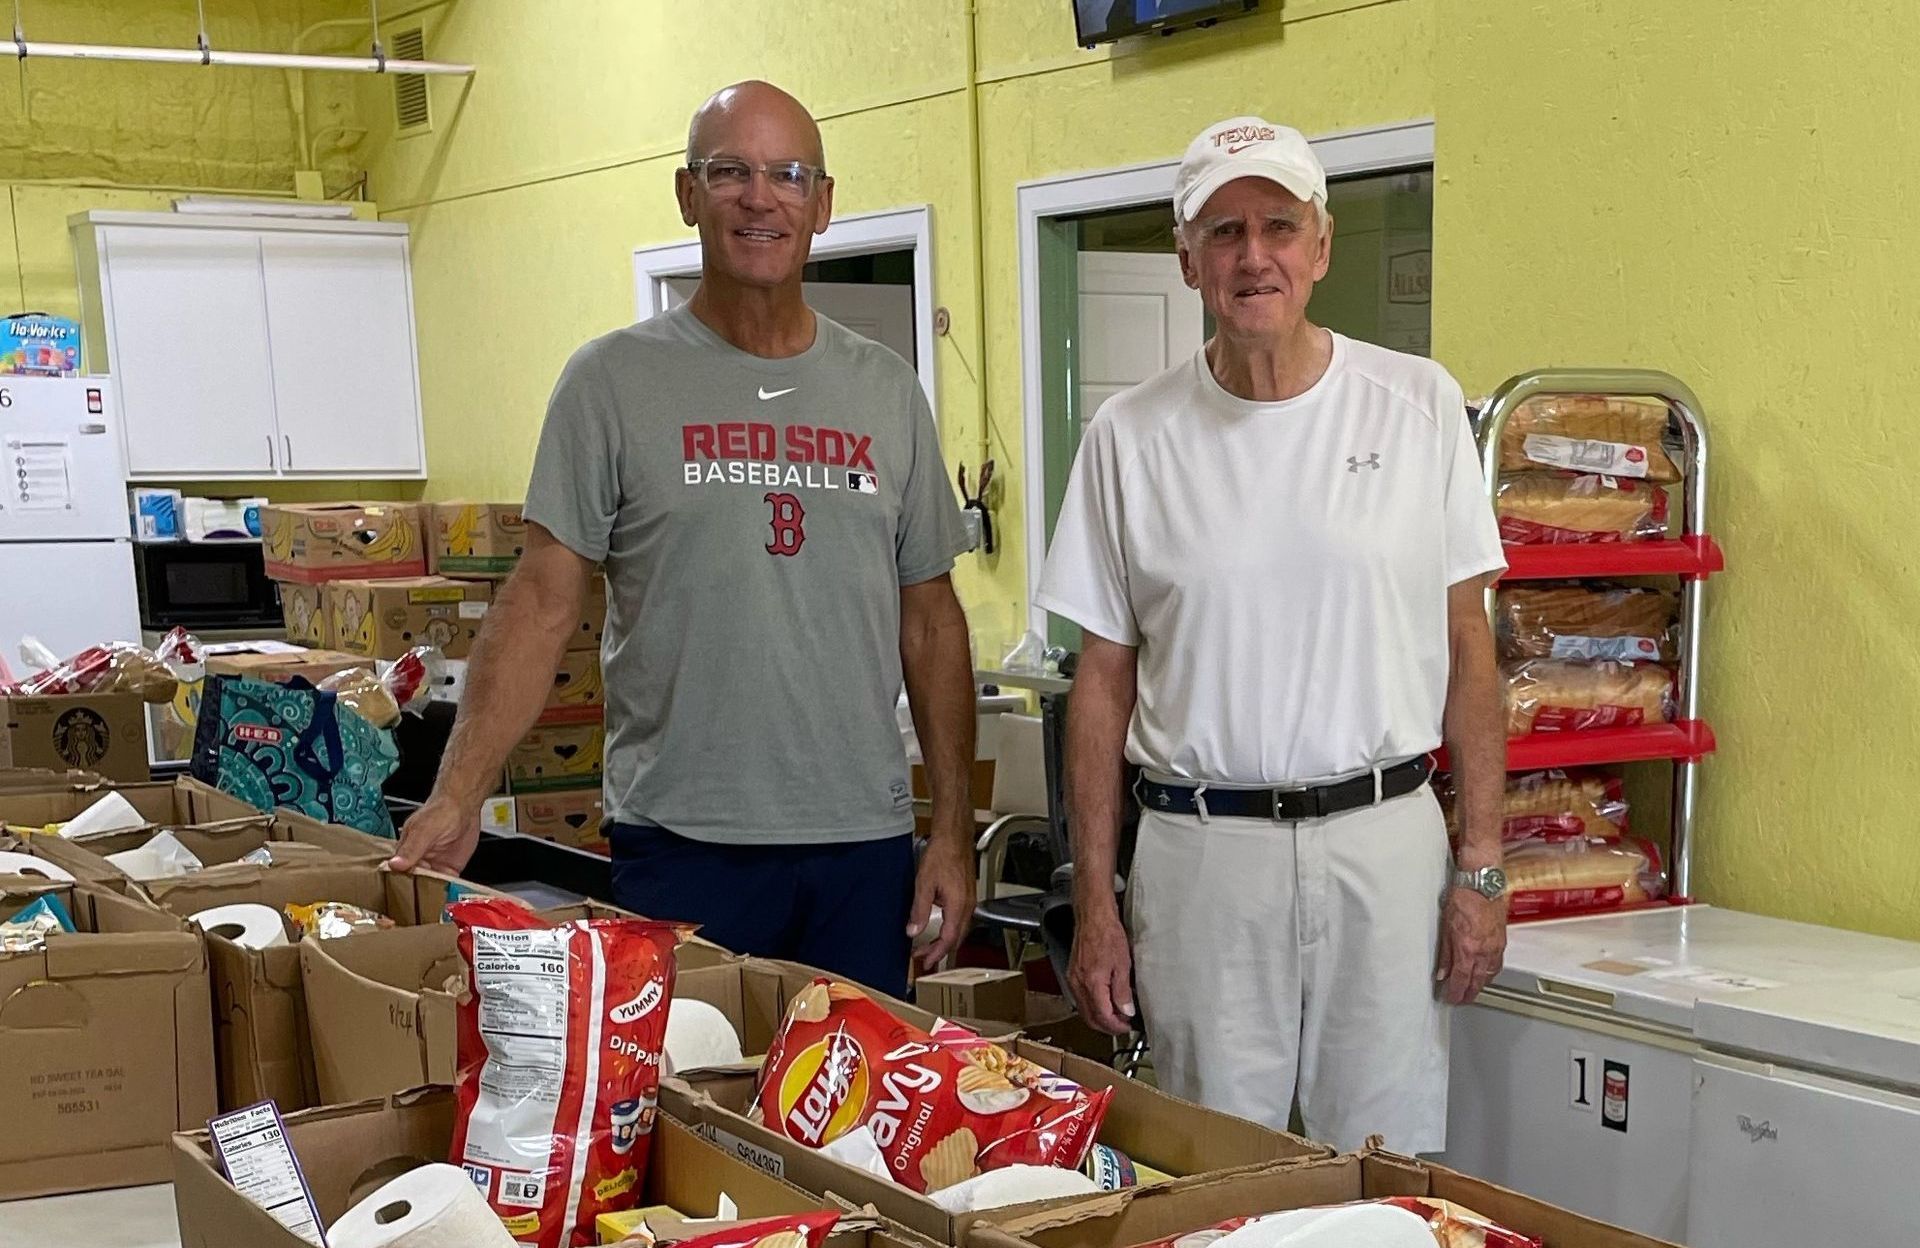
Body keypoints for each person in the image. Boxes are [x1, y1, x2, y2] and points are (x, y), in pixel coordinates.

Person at [393, 80, 976, 996]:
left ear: (823, 204)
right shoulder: (612, 383)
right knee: (680, 1114)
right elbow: (544, 601)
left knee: (852, 1130)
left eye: (787, 174)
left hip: (861, 848)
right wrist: (459, 792)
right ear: (686, 193)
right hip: (682, 844)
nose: (759, 197)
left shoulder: (886, 392)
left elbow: (932, 621)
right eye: (729, 171)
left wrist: (950, 831)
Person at [1040, 116, 1508, 1154]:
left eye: (1280, 226)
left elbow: (1471, 648)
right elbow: (1101, 683)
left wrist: (1480, 866)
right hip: (1204, 857)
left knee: (1383, 1172)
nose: (1255, 256)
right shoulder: (1130, 437)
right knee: (1213, 1167)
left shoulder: (1417, 406)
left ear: (1322, 247)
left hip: (1384, 845)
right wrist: (1097, 902)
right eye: (1224, 231)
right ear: (1187, 260)